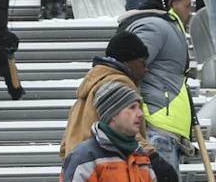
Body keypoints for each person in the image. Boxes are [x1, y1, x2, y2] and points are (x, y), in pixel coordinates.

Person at [114, 0, 197, 182]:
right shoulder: (154, 26)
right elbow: (126, 69)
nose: (190, 11)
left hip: (168, 130)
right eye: (187, 5)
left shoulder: (168, 27)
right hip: (156, 128)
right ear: (171, 3)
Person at [61, 31, 150, 160]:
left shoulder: (93, 83)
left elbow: (67, 138)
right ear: (127, 62)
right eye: (142, 63)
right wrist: (151, 155)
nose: (146, 69)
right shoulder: (119, 82)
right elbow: (125, 127)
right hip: (104, 163)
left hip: (81, 160)